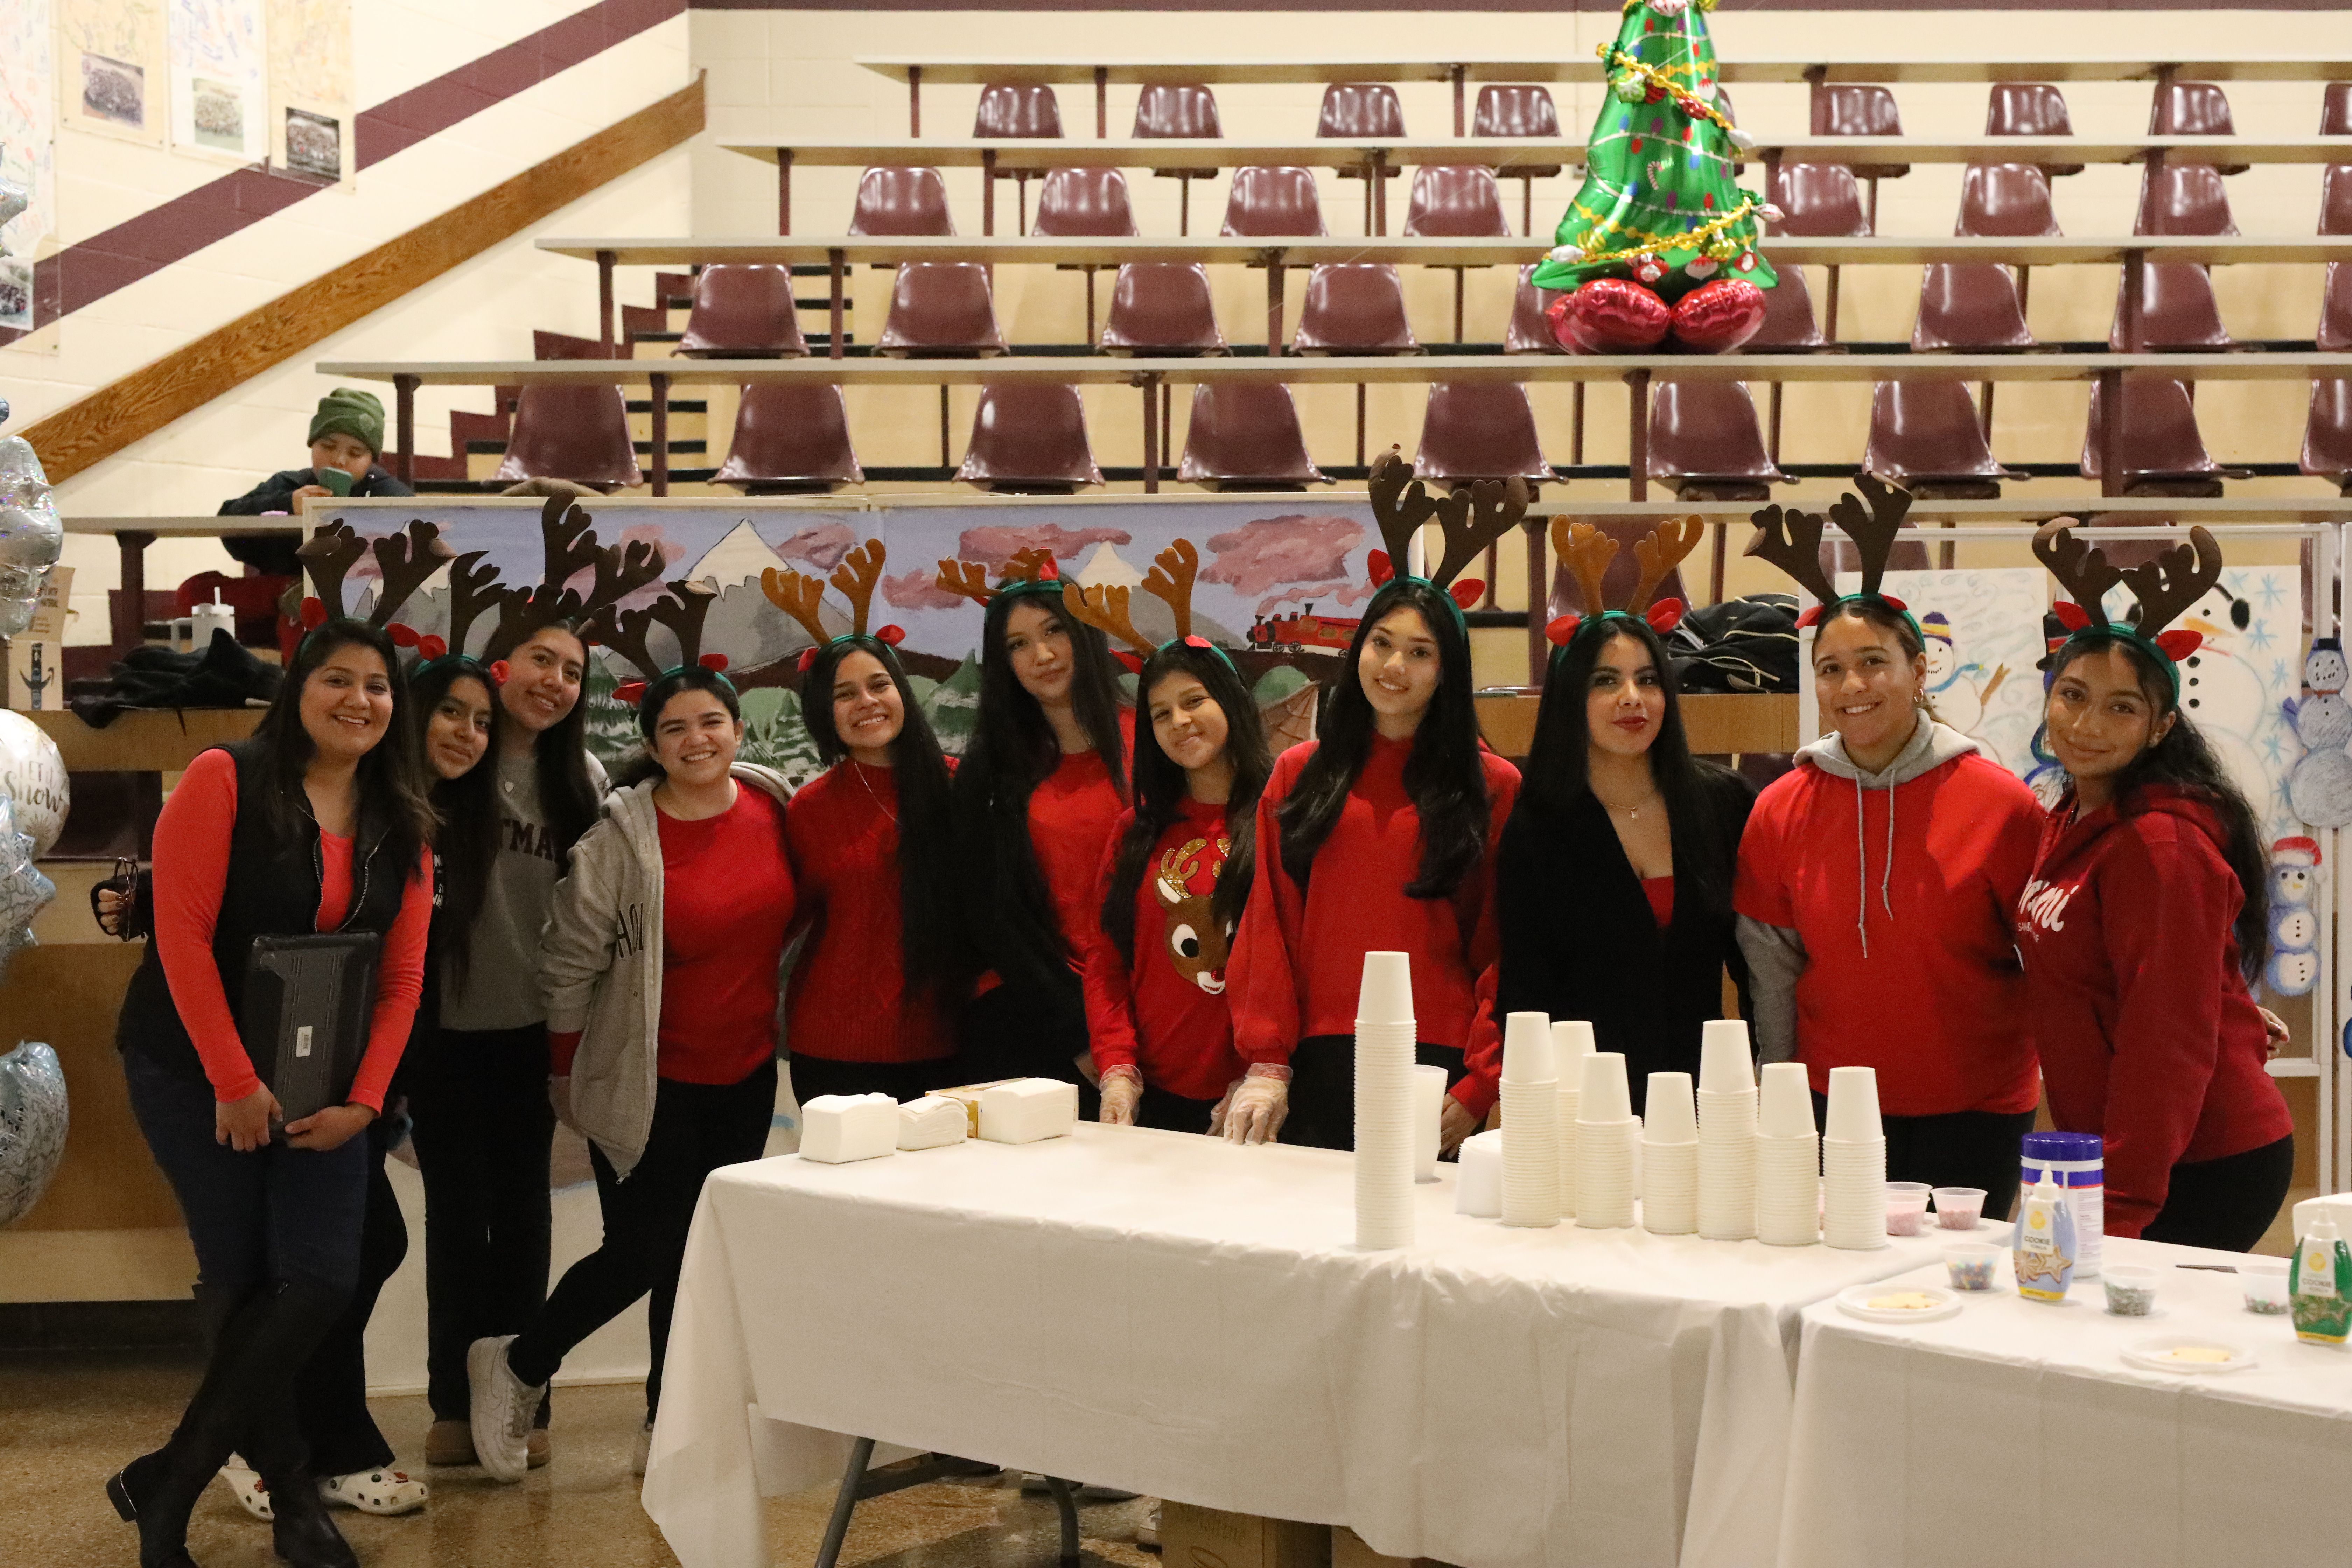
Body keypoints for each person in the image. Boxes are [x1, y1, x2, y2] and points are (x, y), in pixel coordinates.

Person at [107, 618, 435, 1568]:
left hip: (324, 1081)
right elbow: (180, 939)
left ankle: (172, 1473)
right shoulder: (226, 778)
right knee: (245, 1278)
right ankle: (293, 1499)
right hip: (190, 1071)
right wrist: (234, 1081)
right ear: (298, 689)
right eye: (338, 679)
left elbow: (403, 978)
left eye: (378, 686)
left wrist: (366, 1102)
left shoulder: (404, 816)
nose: (359, 700)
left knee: (322, 1278)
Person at [469, 663, 794, 1484]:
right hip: (645, 1078)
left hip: (745, 1072)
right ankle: (519, 1363)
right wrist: (564, 1075)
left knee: (697, 1255)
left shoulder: (773, 807)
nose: (697, 739)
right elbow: (566, 966)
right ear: (652, 745)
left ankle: (664, 1422)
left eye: (711, 721)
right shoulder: (620, 841)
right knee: (644, 1248)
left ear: (738, 730)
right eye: (675, 728)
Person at [1737, 497, 2045, 1219]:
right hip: (1832, 1106)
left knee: (1961, 1282)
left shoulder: (2002, 804)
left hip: (1978, 1107)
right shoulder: (1779, 808)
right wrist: (1780, 1094)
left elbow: (2055, 958)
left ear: (1919, 669)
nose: (1853, 686)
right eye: (1831, 669)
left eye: (1873, 662)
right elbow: (1772, 969)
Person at [2015, 523, 2295, 1250]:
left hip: (2198, 1162)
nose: (2088, 724)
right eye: (2073, 695)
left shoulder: (2158, 845)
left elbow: (2164, 1039)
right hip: (2127, 1150)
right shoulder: (2074, 814)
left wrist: (2119, 1202)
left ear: (2161, 724)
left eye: (2122, 707)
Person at [405, 621, 606, 1469]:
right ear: (502, 668)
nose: (554, 681)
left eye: (572, 672)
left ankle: (524, 1399)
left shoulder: (582, 780)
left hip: (534, 1033)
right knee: (456, 1222)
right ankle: (453, 1403)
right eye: (541, 661)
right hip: (441, 1033)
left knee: (525, 1219)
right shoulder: (448, 765)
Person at [1230, 576, 1520, 1151]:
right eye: (1381, 643)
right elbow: (1270, 923)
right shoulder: (1298, 774)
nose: (1394, 666)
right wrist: (1267, 1062)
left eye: (1420, 653)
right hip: (1317, 1056)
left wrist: (1482, 1082)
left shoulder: (1492, 785)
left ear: (1447, 671)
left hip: (1437, 1064)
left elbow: (1503, 946)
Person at [1497, 527, 1753, 1112]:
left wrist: (1768, 1070)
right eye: (1606, 681)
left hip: (1704, 1099)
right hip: (1583, 1109)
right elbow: (1524, 994)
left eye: (1648, 679)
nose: (1632, 697)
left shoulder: (1724, 804)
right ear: (1570, 697)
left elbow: (1758, 966)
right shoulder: (1537, 827)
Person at [946, 554, 1131, 1100]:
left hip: (1146, 1004)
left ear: (1084, 633)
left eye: (1054, 631)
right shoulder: (989, 769)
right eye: (1018, 644)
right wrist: (1077, 1031)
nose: (1042, 656)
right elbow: (988, 912)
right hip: (1033, 1017)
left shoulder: (1150, 735)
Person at [1085, 636, 1272, 1134]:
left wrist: (1264, 1074)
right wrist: (1117, 1068)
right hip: (1153, 1100)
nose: (1180, 722)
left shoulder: (1282, 820)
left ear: (1230, 700)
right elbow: (1107, 961)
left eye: (1194, 701)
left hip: (1257, 1102)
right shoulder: (1135, 832)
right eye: (1161, 714)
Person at [785, 629, 962, 1100]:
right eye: (844, 694)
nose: (866, 702)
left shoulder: (958, 787)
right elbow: (782, 922)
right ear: (824, 712)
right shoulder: (810, 809)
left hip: (948, 1046)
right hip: (834, 1051)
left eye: (879, 685)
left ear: (901, 691)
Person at [218, 389, 414, 516]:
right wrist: (288, 504)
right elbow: (227, 520)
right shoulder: (290, 485)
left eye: (355, 454)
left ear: (372, 460)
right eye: (328, 447)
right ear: (313, 445)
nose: (339, 460)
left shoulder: (388, 494)